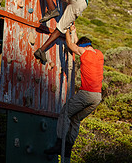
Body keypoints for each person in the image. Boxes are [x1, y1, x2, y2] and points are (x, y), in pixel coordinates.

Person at [44, 24, 104, 158]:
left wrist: (66, 32)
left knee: (65, 113)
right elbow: (78, 44)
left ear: (82, 47)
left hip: (86, 94)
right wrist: (73, 31)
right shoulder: (99, 54)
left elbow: (71, 45)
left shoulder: (84, 52)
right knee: (76, 119)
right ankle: (69, 147)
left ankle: (59, 143)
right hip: (97, 97)